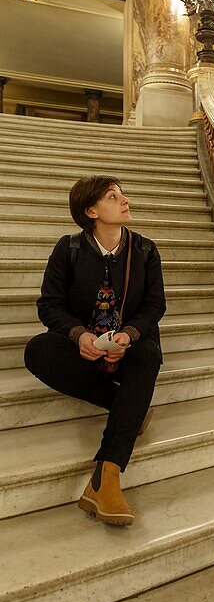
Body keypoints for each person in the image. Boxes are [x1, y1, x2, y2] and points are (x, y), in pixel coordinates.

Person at [24, 176, 166, 526]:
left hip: (126, 351)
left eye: (123, 194)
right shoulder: (69, 248)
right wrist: (79, 335)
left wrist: (129, 337)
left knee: (148, 353)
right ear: (91, 210)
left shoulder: (145, 250)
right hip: (86, 350)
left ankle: (107, 476)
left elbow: (154, 306)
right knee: (37, 350)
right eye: (112, 196)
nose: (125, 200)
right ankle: (131, 409)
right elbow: (49, 305)